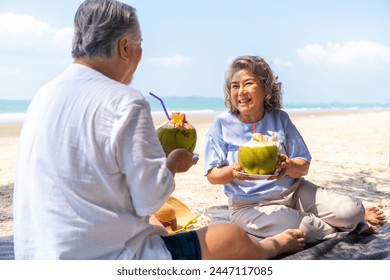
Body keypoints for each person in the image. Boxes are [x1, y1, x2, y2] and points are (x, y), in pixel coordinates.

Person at [13, 0, 306, 260]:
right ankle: (272, 247)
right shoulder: (125, 101)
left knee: (155, 226)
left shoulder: (43, 95)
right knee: (228, 235)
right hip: (105, 258)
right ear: (125, 48)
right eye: (140, 45)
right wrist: (171, 165)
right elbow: (150, 199)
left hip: (36, 256)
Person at [204, 55, 387, 244]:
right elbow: (212, 175)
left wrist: (288, 165)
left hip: (294, 191)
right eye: (234, 86)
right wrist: (232, 171)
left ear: (265, 88)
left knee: (351, 211)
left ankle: (354, 219)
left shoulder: (280, 119)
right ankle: (352, 228)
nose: (240, 91)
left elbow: (303, 166)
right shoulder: (221, 125)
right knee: (308, 228)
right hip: (250, 206)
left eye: (248, 83)